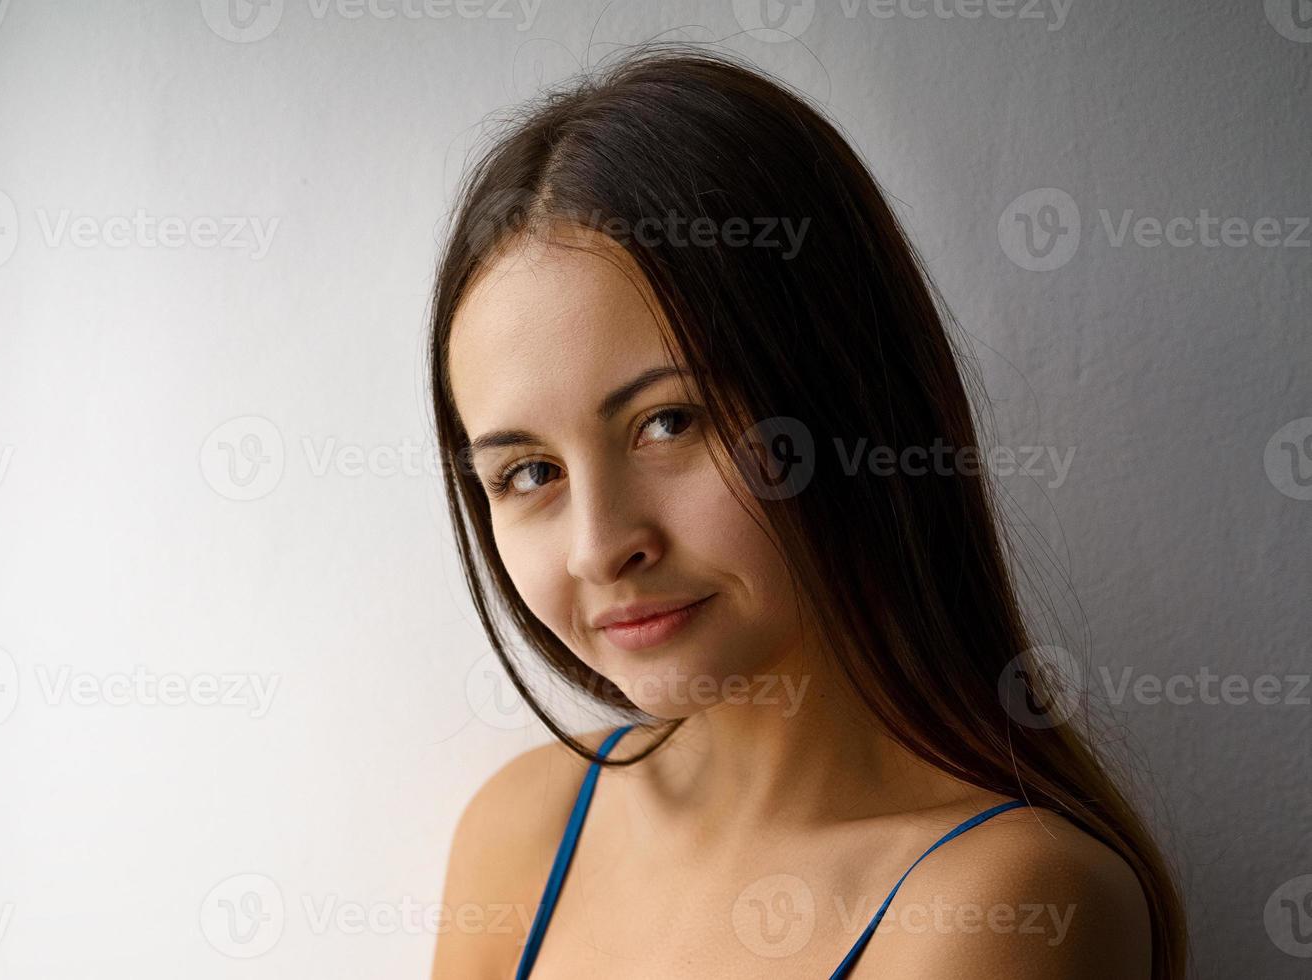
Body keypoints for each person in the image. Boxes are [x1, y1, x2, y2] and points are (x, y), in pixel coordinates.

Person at [425, 43, 1186, 979]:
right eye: (529, 473)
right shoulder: (522, 830)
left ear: (847, 402)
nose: (599, 547)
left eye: (671, 421)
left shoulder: (1011, 902)